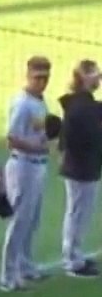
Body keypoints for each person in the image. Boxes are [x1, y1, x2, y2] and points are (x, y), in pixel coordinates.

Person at [0, 56, 54, 291]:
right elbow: (11, 139)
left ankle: (25, 265)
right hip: (22, 166)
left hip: (37, 166)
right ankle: (8, 276)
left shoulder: (40, 101)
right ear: (28, 75)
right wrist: (37, 147)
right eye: (37, 77)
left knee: (33, 220)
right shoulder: (22, 104)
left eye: (45, 78)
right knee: (20, 220)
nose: (42, 82)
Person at [58, 59, 102, 278]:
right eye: (95, 74)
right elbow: (78, 138)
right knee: (77, 214)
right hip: (80, 168)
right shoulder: (81, 106)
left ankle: (76, 255)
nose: (99, 78)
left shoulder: (84, 104)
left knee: (81, 215)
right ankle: (72, 261)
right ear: (83, 77)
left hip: (85, 167)